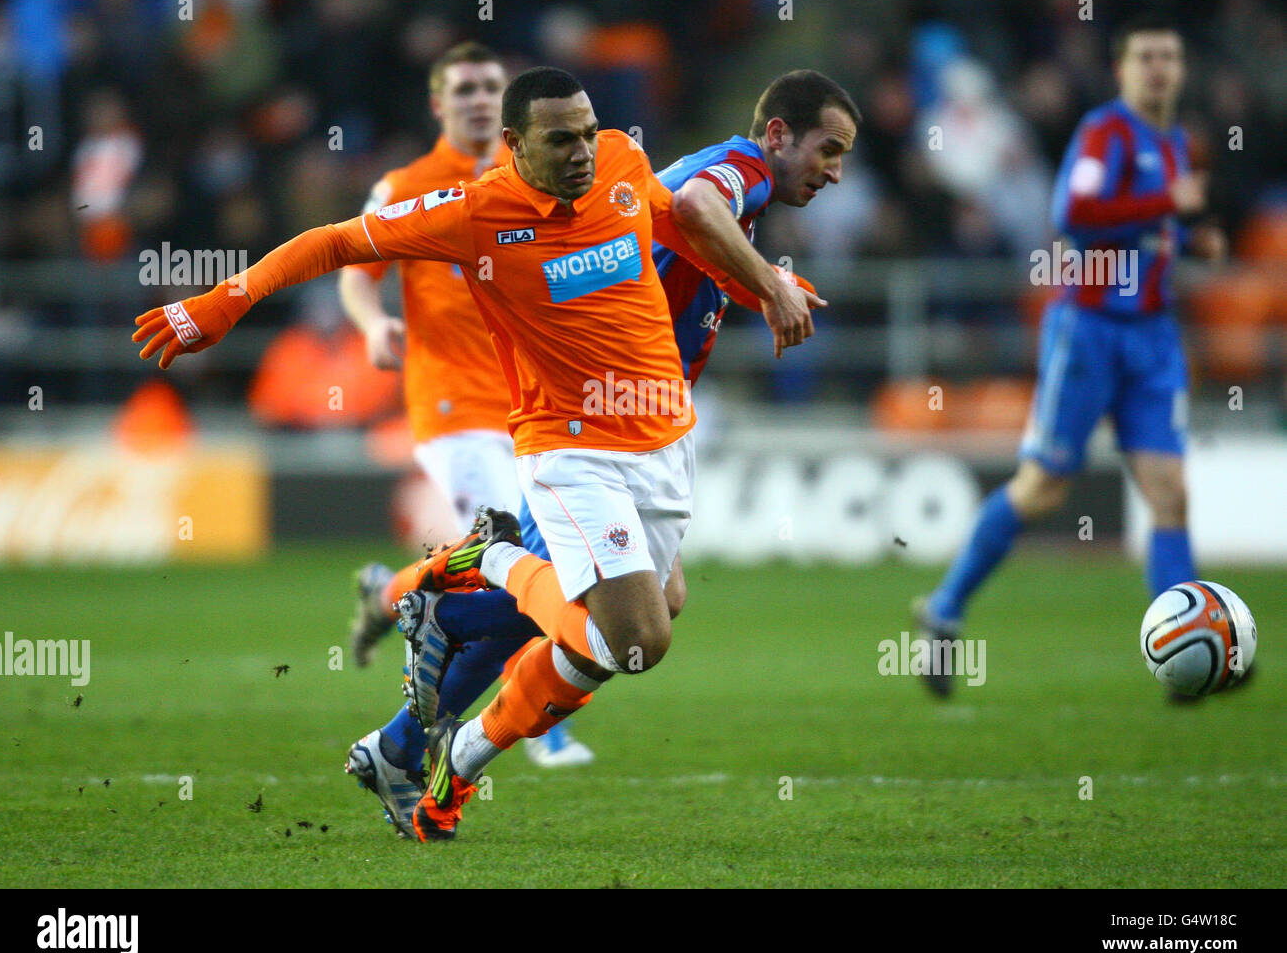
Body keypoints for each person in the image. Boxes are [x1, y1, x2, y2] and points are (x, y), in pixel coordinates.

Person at [132, 66, 836, 842]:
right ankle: (486, 565)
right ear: (514, 145)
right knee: (638, 639)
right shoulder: (474, 212)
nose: (583, 153)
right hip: (571, 448)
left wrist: (768, 283)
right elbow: (333, 243)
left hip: (665, 437)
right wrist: (219, 303)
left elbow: (686, 231)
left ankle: (446, 750)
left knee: (642, 621)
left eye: (588, 130)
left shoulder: (624, 167)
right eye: (560, 139)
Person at [348, 69, 860, 838]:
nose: (835, 171)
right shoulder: (740, 171)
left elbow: (685, 236)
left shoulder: (714, 190)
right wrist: (771, 284)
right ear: (779, 136)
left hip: (632, 430)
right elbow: (691, 205)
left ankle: (410, 712)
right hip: (590, 430)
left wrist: (773, 285)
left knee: (641, 604)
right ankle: (437, 610)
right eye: (829, 150)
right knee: (603, 623)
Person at [913, 15, 1228, 696]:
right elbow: (1077, 214)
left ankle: (1185, 660)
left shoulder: (1175, 142)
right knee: (1043, 487)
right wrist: (1164, 205)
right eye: (1144, 55)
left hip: (1151, 336)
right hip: (1088, 330)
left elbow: (1148, 228)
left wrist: (1188, 239)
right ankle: (943, 609)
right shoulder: (1104, 134)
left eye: (1168, 55)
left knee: (1169, 493)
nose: (1158, 68)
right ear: (1122, 68)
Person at [337, 41, 592, 770]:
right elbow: (355, 267)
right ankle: (542, 721)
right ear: (437, 103)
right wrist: (371, 322)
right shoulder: (407, 183)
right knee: (520, 554)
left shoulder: (529, 177)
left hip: (534, 401)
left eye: (491, 87)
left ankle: (393, 594)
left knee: (517, 560)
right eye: (466, 88)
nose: (480, 99)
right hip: (451, 403)